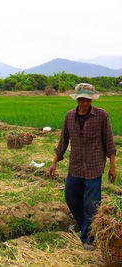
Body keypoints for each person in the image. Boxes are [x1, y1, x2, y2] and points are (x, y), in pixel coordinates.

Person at [48, 83, 117, 251]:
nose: (84, 101)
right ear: (77, 99)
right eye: (81, 98)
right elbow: (63, 141)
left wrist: (113, 166)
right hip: (76, 166)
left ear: (91, 99)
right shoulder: (69, 116)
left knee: (92, 204)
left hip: (94, 167)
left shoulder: (101, 116)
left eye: (87, 98)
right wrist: (54, 161)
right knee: (71, 196)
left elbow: (109, 142)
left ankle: (88, 237)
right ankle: (81, 223)